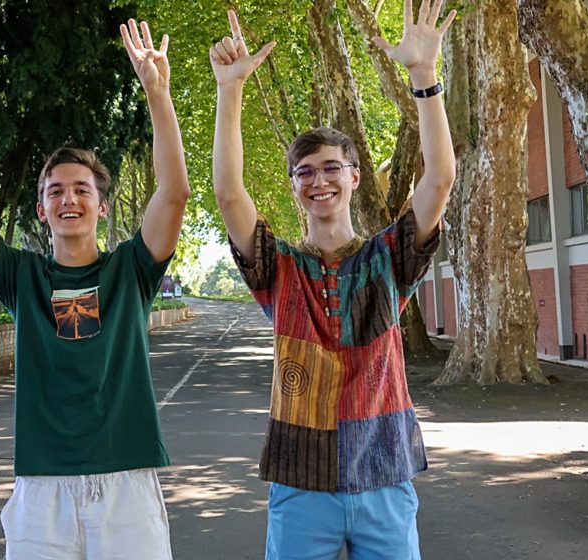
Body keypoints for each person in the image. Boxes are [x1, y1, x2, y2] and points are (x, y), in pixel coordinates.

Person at [0, 20, 190, 560]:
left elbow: (174, 191)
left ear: (102, 205)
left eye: (82, 189)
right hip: (42, 487)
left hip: (126, 481)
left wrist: (158, 95)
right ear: (41, 209)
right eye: (55, 191)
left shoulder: (132, 270)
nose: (70, 199)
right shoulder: (22, 276)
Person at [208, 2, 456, 558]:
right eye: (304, 172)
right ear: (294, 187)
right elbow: (227, 194)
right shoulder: (279, 269)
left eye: (330, 168)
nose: (318, 181)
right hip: (300, 479)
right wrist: (230, 91)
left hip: (384, 471)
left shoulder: (387, 258)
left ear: (354, 176)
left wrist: (424, 76)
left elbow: (439, 180)